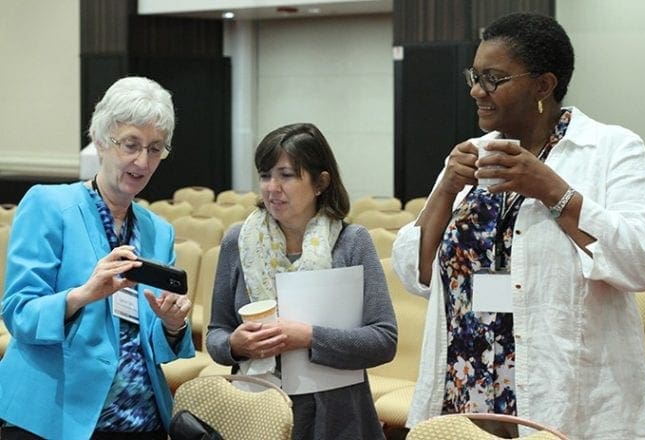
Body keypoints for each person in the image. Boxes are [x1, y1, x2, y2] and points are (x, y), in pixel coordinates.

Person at [391, 12, 645, 440]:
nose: (477, 91)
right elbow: (416, 274)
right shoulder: (471, 154)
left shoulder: (611, 148)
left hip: (564, 394)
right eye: (474, 76)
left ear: (543, 85)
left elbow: (641, 262)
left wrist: (553, 190)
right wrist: (445, 189)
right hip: (466, 387)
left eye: (494, 78)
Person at [0, 76, 195, 439]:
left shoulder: (157, 231)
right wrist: (83, 294)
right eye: (131, 145)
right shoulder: (49, 205)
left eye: (155, 149)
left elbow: (155, 346)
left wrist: (171, 324)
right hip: (56, 416)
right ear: (101, 141)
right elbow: (19, 314)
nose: (143, 160)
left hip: (140, 418)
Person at [206, 122, 397, 440]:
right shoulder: (238, 241)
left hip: (336, 414)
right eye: (266, 175)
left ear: (321, 182)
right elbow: (216, 333)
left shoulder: (351, 242)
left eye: (287, 175)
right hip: (259, 409)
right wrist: (234, 346)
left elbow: (383, 340)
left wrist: (309, 337)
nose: (272, 187)